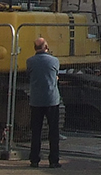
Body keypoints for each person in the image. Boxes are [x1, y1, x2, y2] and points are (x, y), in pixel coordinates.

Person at [26, 37, 61, 168]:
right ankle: (54, 160)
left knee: (36, 131)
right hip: (52, 100)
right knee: (53, 132)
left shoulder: (30, 61)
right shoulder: (54, 61)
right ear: (46, 47)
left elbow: (29, 75)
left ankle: (34, 159)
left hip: (36, 101)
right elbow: (55, 75)